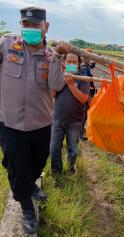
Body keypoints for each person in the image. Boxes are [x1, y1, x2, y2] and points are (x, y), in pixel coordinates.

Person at [0, 7, 71, 234]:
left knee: (39, 161)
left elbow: (57, 86)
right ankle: (26, 206)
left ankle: (29, 184)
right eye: (25, 24)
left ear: (45, 27)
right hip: (9, 122)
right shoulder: (6, 44)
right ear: (20, 24)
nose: (29, 29)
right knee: (18, 165)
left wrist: (58, 58)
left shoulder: (51, 56)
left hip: (41, 123)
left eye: (35, 25)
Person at [50, 52, 90, 174]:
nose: (71, 64)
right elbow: (52, 94)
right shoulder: (59, 76)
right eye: (69, 62)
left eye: (74, 62)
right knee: (54, 148)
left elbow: (83, 99)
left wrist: (71, 85)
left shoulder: (83, 79)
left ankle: (70, 169)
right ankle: (56, 172)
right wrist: (59, 80)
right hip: (57, 119)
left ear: (78, 65)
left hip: (75, 121)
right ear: (64, 63)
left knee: (73, 149)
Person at [80, 48, 96, 141]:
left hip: (88, 92)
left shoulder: (86, 66)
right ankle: (81, 132)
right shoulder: (84, 67)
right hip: (87, 93)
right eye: (88, 56)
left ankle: (81, 129)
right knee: (85, 112)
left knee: (85, 111)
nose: (89, 58)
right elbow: (85, 81)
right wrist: (89, 95)